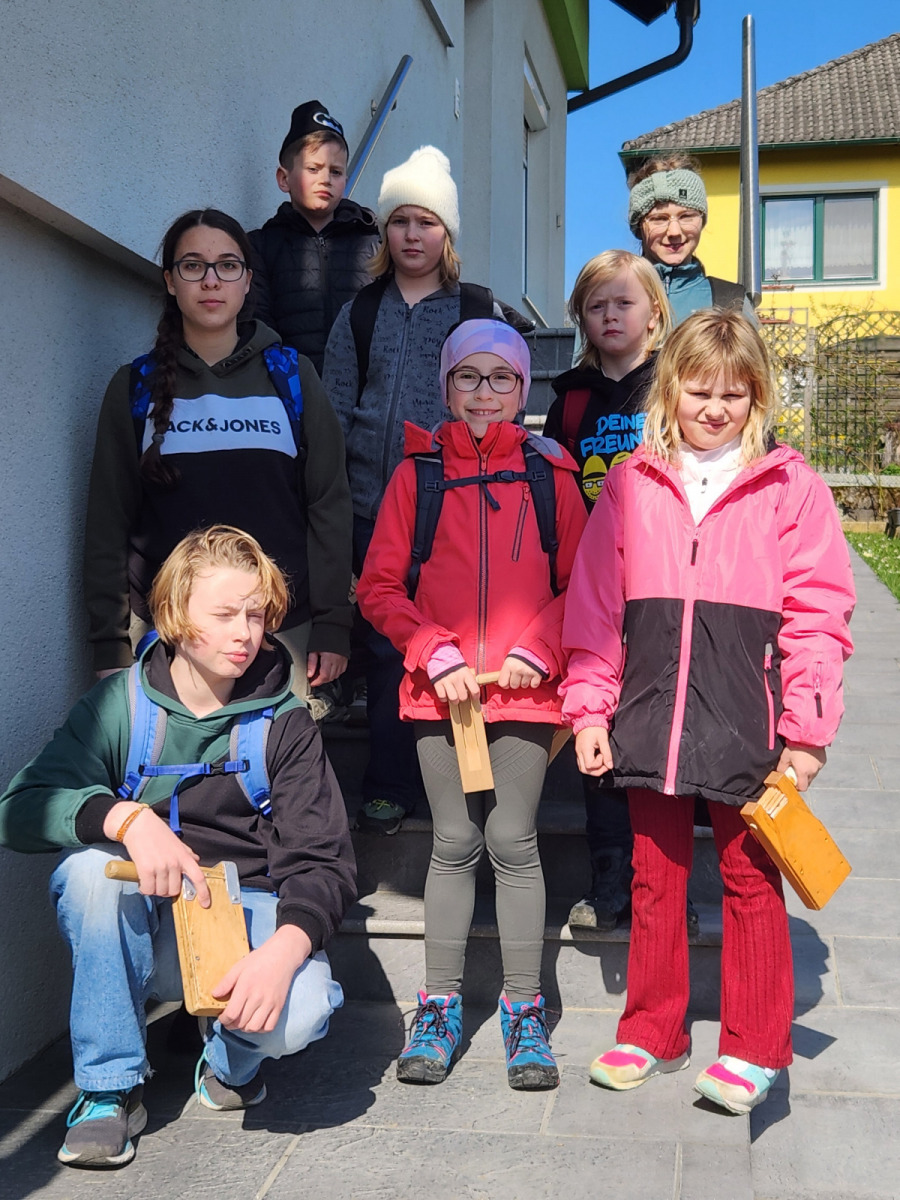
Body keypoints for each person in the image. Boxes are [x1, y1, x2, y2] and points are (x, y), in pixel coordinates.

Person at [560, 309, 855, 1114]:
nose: (715, 408)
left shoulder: (790, 486)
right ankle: (653, 1030)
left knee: (750, 878)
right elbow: (595, 606)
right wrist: (589, 710)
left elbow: (819, 616)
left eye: (733, 393)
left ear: (756, 395)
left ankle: (754, 1046)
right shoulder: (632, 481)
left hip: (746, 719)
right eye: (699, 391)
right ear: (670, 390)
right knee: (654, 876)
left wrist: (807, 731)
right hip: (649, 712)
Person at [0, 526, 356, 1168]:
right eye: (224, 615)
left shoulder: (286, 722)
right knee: (89, 873)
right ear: (173, 615)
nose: (245, 634)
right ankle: (109, 1090)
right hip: (150, 920)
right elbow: (19, 807)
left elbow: (324, 863)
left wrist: (283, 953)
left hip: (243, 914)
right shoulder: (121, 705)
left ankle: (228, 1061)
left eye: (256, 614)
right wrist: (125, 819)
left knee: (304, 1010)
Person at [357, 318, 587, 1089]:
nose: (484, 393)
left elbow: (584, 584)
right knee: (453, 840)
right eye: (468, 376)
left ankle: (524, 1011)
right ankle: (440, 1007)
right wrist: (432, 649)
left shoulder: (552, 476)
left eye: (501, 378)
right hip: (441, 693)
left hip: (526, 691)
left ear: (523, 389)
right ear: (446, 386)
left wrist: (539, 648)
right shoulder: (415, 477)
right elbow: (378, 587)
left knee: (512, 838)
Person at [324, 146, 528, 835]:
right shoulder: (360, 311)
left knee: (452, 641)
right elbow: (334, 409)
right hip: (367, 503)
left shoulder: (475, 307)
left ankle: (474, 785)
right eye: (401, 221)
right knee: (390, 644)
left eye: (428, 222)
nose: (413, 235)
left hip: (450, 507)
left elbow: (501, 394)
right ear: (385, 231)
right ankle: (389, 781)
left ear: (448, 233)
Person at [83, 208, 353, 702]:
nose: (211, 281)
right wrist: (109, 643)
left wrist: (333, 623)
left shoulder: (292, 378)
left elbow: (328, 506)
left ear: (248, 280)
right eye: (193, 266)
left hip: (280, 635)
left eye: (227, 266)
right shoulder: (134, 387)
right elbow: (108, 522)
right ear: (170, 281)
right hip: (166, 639)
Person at [543, 250, 670, 933]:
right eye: (597, 306)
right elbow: (556, 490)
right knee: (599, 730)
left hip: (664, 581)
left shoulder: (675, 385)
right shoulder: (570, 400)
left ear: (654, 313)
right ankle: (610, 877)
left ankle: (663, 879)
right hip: (593, 588)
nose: (611, 315)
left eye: (625, 302)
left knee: (659, 729)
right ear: (581, 319)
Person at [248, 99, 379, 377]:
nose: (326, 179)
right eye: (313, 168)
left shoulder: (372, 243)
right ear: (284, 179)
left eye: (336, 172)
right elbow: (258, 323)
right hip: (289, 386)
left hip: (362, 388)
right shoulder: (261, 246)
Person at [627, 153, 756, 327]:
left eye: (686, 216)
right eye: (659, 219)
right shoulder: (610, 299)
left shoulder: (732, 302)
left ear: (702, 221)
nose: (674, 231)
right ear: (639, 227)